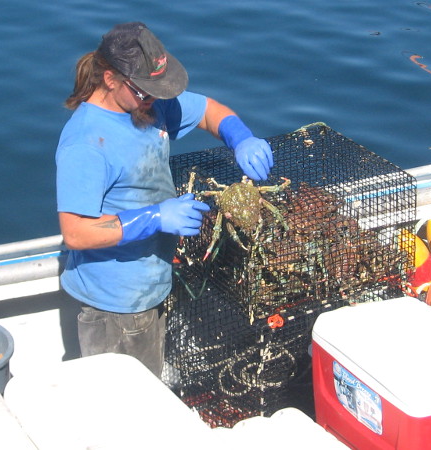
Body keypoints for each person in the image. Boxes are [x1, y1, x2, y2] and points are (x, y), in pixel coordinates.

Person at [56, 22, 274, 376]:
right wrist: (154, 218)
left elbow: (207, 111)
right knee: (125, 406)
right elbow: (76, 233)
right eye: (145, 91)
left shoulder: (146, 105)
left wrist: (240, 137)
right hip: (116, 303)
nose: (154, 99)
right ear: (110, 79)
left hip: (152, 280)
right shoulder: (86, 144)